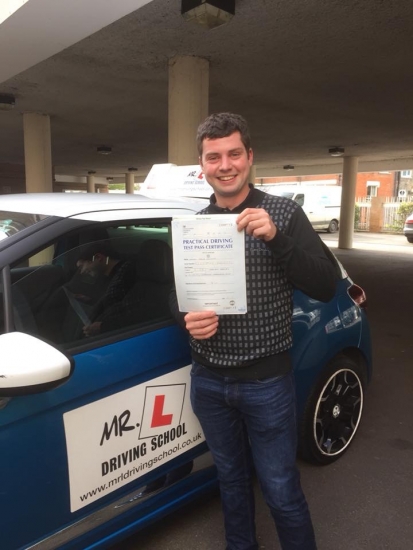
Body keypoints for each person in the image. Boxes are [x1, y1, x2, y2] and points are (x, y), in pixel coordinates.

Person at [169, 113, 338, 550]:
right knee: (230, 482)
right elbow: (178, 295)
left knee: (280, 490)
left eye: (233, 154)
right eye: (213, 157)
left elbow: (324, 285)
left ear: (249, 157)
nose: (224, 165)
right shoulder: (195, 224)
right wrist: (185, 317)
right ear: (202, 164)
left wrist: (277, 238)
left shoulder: (283, 212)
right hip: (208, 380)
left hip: (266, 383)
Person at [76, 242, 136, 336]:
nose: (82, 272)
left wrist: (103, 327)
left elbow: (130, 312)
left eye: (81, 266)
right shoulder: (111, 275)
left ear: (98, 258)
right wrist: (92, 301)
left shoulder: (127, 274)